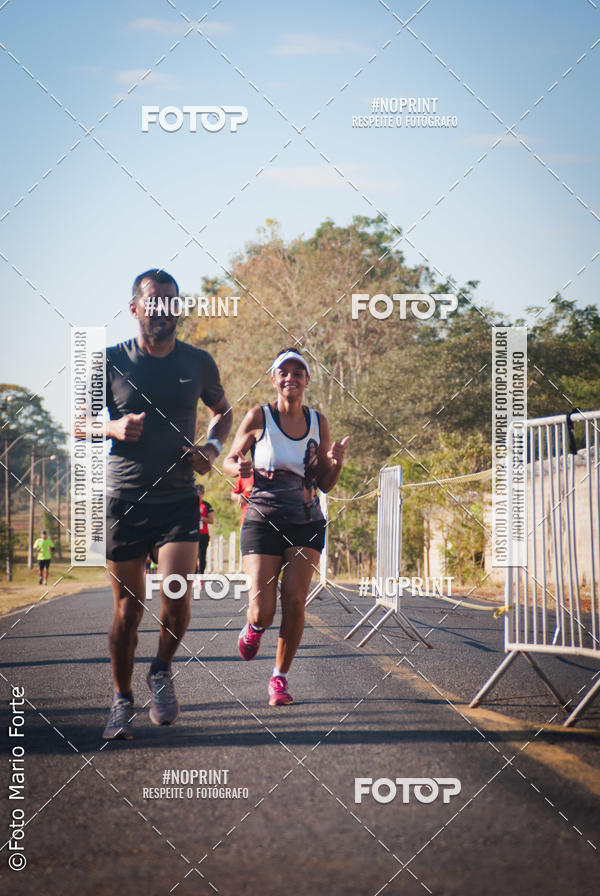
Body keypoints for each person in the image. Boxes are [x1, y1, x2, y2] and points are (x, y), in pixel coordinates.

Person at [99, 269, 232, 739]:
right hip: (125, 497)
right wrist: (112, 429)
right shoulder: (111, 360)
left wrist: (212, 450)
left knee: (175, 596)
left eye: (171, 301)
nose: (162, 308)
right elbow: (78, 419)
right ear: (135, 308)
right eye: (153, 301)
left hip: (178, 495)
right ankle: (120, 700)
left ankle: (159, 669)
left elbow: (224, 412)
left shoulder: (198, 362)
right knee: (128, 611)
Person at [223, 348, 349, 706]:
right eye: (284, 373)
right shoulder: (258, 417)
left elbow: (324, 483)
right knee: (263, 609)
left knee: (294, 599)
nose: (291, 378)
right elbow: (230, 460)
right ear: (274, 378)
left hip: (307, 521)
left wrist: (335, 463)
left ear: (307, 380)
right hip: (263, 520)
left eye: (298, 373)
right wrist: (240, 469)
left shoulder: (317, 422)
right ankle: (254, 627)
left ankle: (279, 678)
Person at [196, 483, 214, 577]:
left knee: (201, 556)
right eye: (196, 493)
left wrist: (201, 518)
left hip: (203, 534)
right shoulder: (189, 505)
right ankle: (193, 576)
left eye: (200, 493)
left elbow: (211, 520)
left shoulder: (206, 505)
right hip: (192, 534)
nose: (198, 495)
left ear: (202, 494)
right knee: (193, 556)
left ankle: (201, 575)